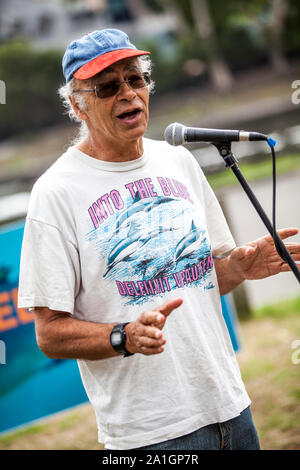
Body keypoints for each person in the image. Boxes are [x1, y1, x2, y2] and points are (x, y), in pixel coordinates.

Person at [18, 28, 300, 451]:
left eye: (135, 79)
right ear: (77, 104)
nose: (128, 94)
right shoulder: (55, 192)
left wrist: (238, 268)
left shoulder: (179, 160)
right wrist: (124, 337)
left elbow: (203, 283)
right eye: (108, 87)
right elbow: (49, 333)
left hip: (230, 407)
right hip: (151, 435)